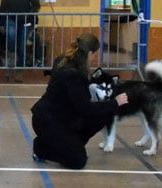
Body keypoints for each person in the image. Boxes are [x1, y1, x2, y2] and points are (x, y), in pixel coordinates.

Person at [31, 34, 129, 169]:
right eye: (95, 54)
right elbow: (85, 108)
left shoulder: (64, 61)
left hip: (63, 117)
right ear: (89, 53)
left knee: (105, 114)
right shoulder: (72, 74)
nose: (95, 58)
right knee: (78, 161)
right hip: (48, 121)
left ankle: (70, 145)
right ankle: (40, 148)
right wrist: (115, 102)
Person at [0, 0, 42, 82]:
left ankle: (19, 72)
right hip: (12, 20)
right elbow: (3, 7)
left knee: (22, 46)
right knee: (11, 39)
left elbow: (36, 4)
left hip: (25, 22)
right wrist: (2, 24)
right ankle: (10, 65)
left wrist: (30, 15)